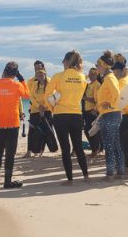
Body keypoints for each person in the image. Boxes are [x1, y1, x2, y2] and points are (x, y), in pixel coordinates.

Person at [0, 61, 30, 188]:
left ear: (4, 71)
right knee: (10, 154)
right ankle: (7, 182)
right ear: (15, 74)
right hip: (13, 124)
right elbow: (27, 94)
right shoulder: (16, 84)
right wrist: (21, 78)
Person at [45, 51, 89, 183]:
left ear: (67, 61)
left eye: (63, 61)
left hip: (61, 115)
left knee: (65, 149)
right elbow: (79, 95)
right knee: (78, 147)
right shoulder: (82, 77)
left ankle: (70, 179)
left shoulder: (58, 76)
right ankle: (86, 176)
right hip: (76, 114)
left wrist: (53, 107)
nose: (62, 63)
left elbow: (47, 96)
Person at [95, 51, 124, 180]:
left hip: (111, 114)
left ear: (104, 65)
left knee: (109, 144)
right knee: (115, 143)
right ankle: (120, 171)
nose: (96, 67)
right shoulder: (108, 78)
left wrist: (109, 103)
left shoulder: (110, 78)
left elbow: (117, 94)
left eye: (97, 65)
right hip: (111, 114)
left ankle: (110, 173)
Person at [26, 66, 52, 157]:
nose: (40, 75)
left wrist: (45, 106)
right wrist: (38, 106)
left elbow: (54, 96)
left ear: (45, 74)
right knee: (32, 131)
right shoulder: (34, 84)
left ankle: (41, 150)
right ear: (36, 76)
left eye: (42, 74)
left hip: (47, 110)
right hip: (35, 110)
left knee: (44, 131)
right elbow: (31, 97)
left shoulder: (50, 83)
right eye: (38, 74)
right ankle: (29, 151)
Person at [83, 67, 103, 156]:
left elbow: (97, 100)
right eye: (90, 74)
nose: (91, 76)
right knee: (88, 130)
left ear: (97, 75)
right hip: (86, 111)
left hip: (93, 111)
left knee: (92, 131)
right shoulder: (89, 84)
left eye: (93, 74)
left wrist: (85, 98)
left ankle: (96, 149)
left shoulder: (97, 85)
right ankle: (96, 149)